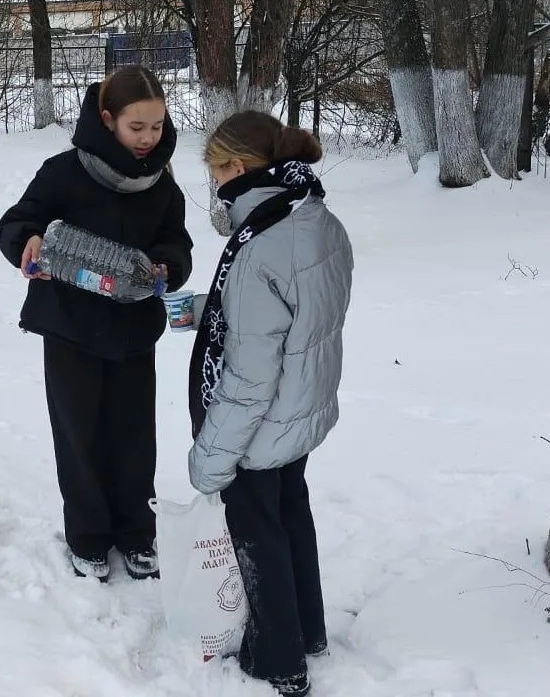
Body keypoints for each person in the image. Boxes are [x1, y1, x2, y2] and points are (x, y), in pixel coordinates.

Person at [0, 65, 193, 583]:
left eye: (157, 125)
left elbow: (176, 240)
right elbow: (17, 222)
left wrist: (168, 266)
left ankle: (136, 534)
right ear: (107, 120)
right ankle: (87, 538)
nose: (149, 138)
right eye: (137, 127)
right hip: (70, 328)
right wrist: (28, 242)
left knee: (133, 436)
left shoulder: (161, 183)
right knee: (78, 436)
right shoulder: (64, 172)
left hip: (131, 330)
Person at [187, 111, 353, 697]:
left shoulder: (258, 246)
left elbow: (250, 376)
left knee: (258, 534)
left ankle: (278, 662)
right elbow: (296, 316)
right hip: (298, 415)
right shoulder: (314, 217)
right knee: (290, 520)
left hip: (259, 428)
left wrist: (212, 453)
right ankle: (307, 631)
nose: (213, 186)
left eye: (213, 172)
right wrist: (215, 310)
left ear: (235, 168)